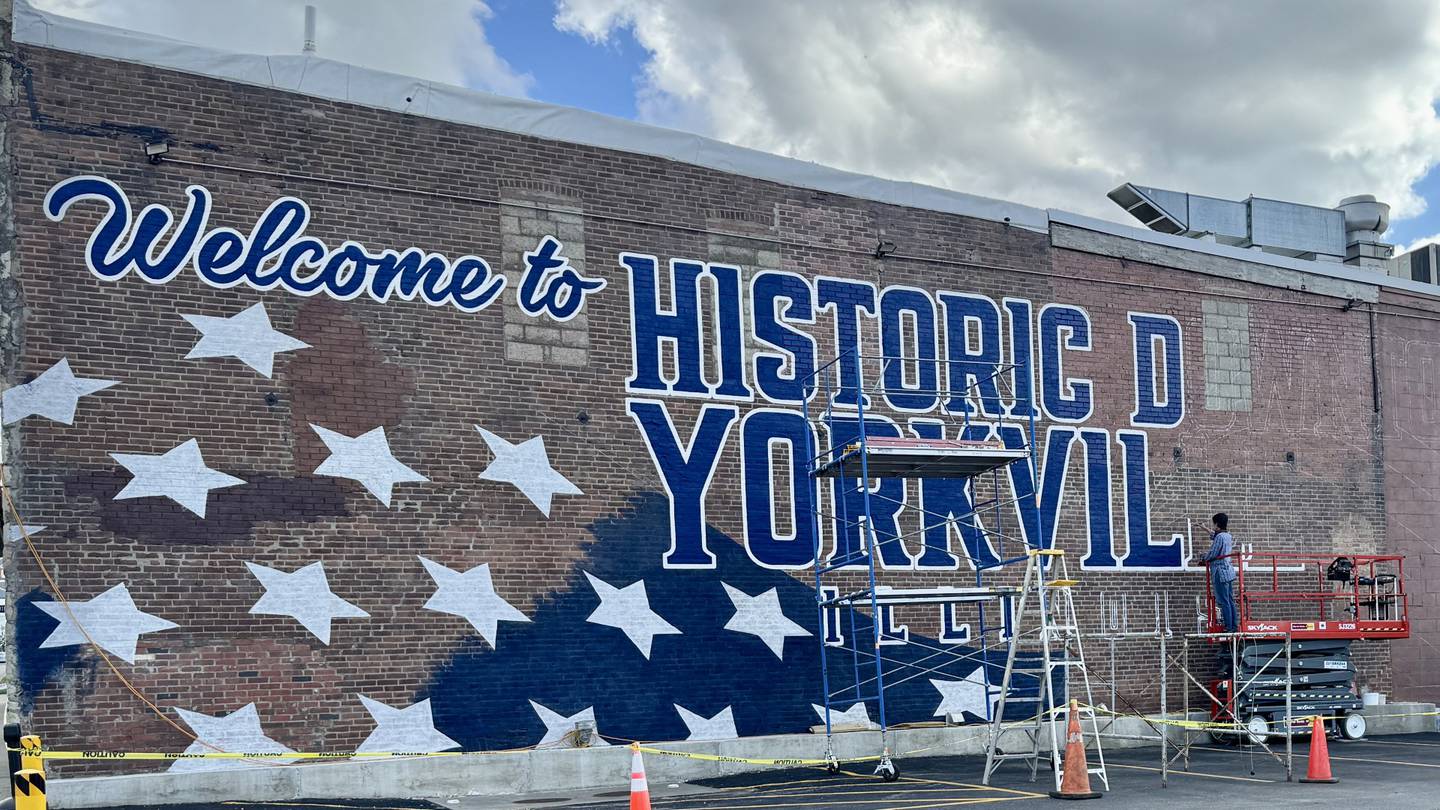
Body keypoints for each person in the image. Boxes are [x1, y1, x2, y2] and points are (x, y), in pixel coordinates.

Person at [1199, 513, 1238, 633]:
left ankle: (1229, 627)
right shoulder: (1227, 536)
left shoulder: (1220, 537)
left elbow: (1213, 553)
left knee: (1223, 601)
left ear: (1217, 524)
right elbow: (1215, 536)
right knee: (1230, 600)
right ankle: (1233, 625)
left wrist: (1203, 558)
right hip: (1228, 571)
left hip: (1220, 572)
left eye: (1214, 524)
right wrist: (1205, 528)